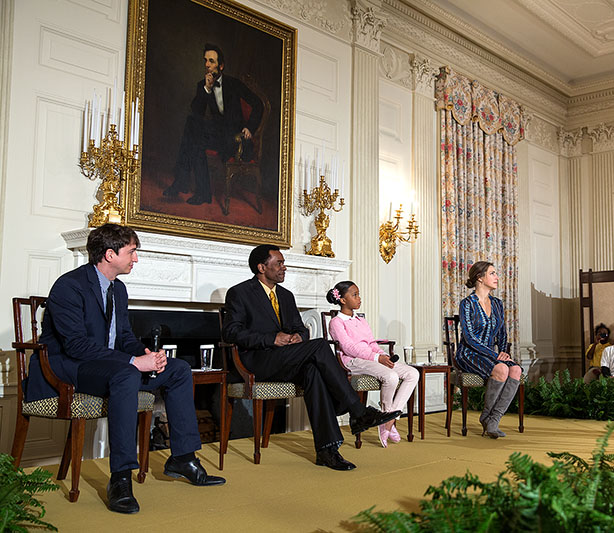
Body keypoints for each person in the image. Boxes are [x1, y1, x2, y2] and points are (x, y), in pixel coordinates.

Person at [24, 224, 224, 514]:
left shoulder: (118, 289)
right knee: (127, 373)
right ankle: (120, 478)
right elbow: (77, 346)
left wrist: (145, 354)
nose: (136, 259)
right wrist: (133, 362)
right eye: (132, 252)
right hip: (69, 369)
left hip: (107, 366)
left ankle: (183, 458)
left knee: (179, 369)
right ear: (109, 254)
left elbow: (124, 337)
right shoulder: (69, 286)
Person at [221, 244, 399, 470]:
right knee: (320, 346)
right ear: (261, 267)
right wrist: (272, 339)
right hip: (257, 361)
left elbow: (301, 329)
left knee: (313, 371)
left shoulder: (286, 296)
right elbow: (231, 332)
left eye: (283, 262)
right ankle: (357, 411)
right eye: (279, 263)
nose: (284, 267)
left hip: (286, 359)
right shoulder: (240, 292)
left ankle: (327, 450)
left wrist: (297, 336)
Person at [163, 43, 265, 205]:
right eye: (206, 61)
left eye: (211, 61)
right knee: (193, 130)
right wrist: (207, 89)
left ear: (221, 65)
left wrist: (250, 127)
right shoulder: (202, 85)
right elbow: (197, 112)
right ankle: (198, 191)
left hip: (235, 138)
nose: (207, 65)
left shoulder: (234, 84)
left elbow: (258, 104)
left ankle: (185, 184)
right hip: (217, 135)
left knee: (194, 136)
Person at [326, 281, 419, 447]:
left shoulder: (361, 320)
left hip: (371, 357)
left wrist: (383, 355)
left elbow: (371, 342)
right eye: (354, 295)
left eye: (358, 294)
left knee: (413, 374)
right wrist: (377, 358)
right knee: (391, 376)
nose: (359, 298)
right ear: (343, 300)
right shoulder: (336, 323)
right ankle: (387, 420)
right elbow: (349, 348)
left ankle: (388, 420)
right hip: (353, 361)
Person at [455, 261, 522, 439]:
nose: (497, 277)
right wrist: (496, 355)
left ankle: (492, 419)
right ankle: (488, 418)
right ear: (479, 277)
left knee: (515, 369)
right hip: (468, 353)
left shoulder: (498, 304)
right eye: (492, 273)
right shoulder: (467, 304)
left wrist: (503, 351)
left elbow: (502, 333)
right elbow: (469, 338)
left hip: (491, 354)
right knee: (501, 368)